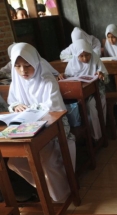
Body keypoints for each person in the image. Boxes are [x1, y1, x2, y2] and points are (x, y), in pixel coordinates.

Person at [7, 43, 76, 202]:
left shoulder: (47, 80)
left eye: (27, 65)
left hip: (53, 126)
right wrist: (16, 105)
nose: (23, 71)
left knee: (46, 159)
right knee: (14, 162)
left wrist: (30, 110)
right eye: (17, 66)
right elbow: (12, 102)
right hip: (27, 128)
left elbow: (53, 109)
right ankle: (46, 187)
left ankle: (61, 196)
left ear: (36, 63)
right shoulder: (16, 82)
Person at [59, 39, 108, 141]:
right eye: (81, 56)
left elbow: (105, 76)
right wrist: (63, 76)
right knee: (73, 107)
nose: (85, 58)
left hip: (96, 92)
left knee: (90, 106)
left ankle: (97, 136)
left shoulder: (95, 59)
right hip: (78, 94)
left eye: (87, 55)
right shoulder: (72, 63)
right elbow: (67, 76)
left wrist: (101, 74)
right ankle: (84, 135)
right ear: (76, 55)